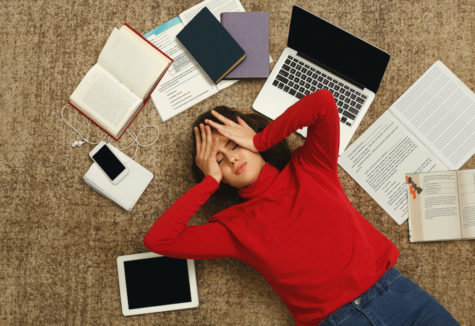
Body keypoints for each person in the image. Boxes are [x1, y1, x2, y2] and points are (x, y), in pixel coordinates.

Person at [144, 90, 459, 326]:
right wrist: (208, 181)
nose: (233, 160)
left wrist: (260, 139)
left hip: (398, 295)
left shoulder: (310, 165)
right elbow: (159, 241)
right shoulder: (231, 227)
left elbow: (322, 103)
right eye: (219, 161)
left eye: (234, 145)